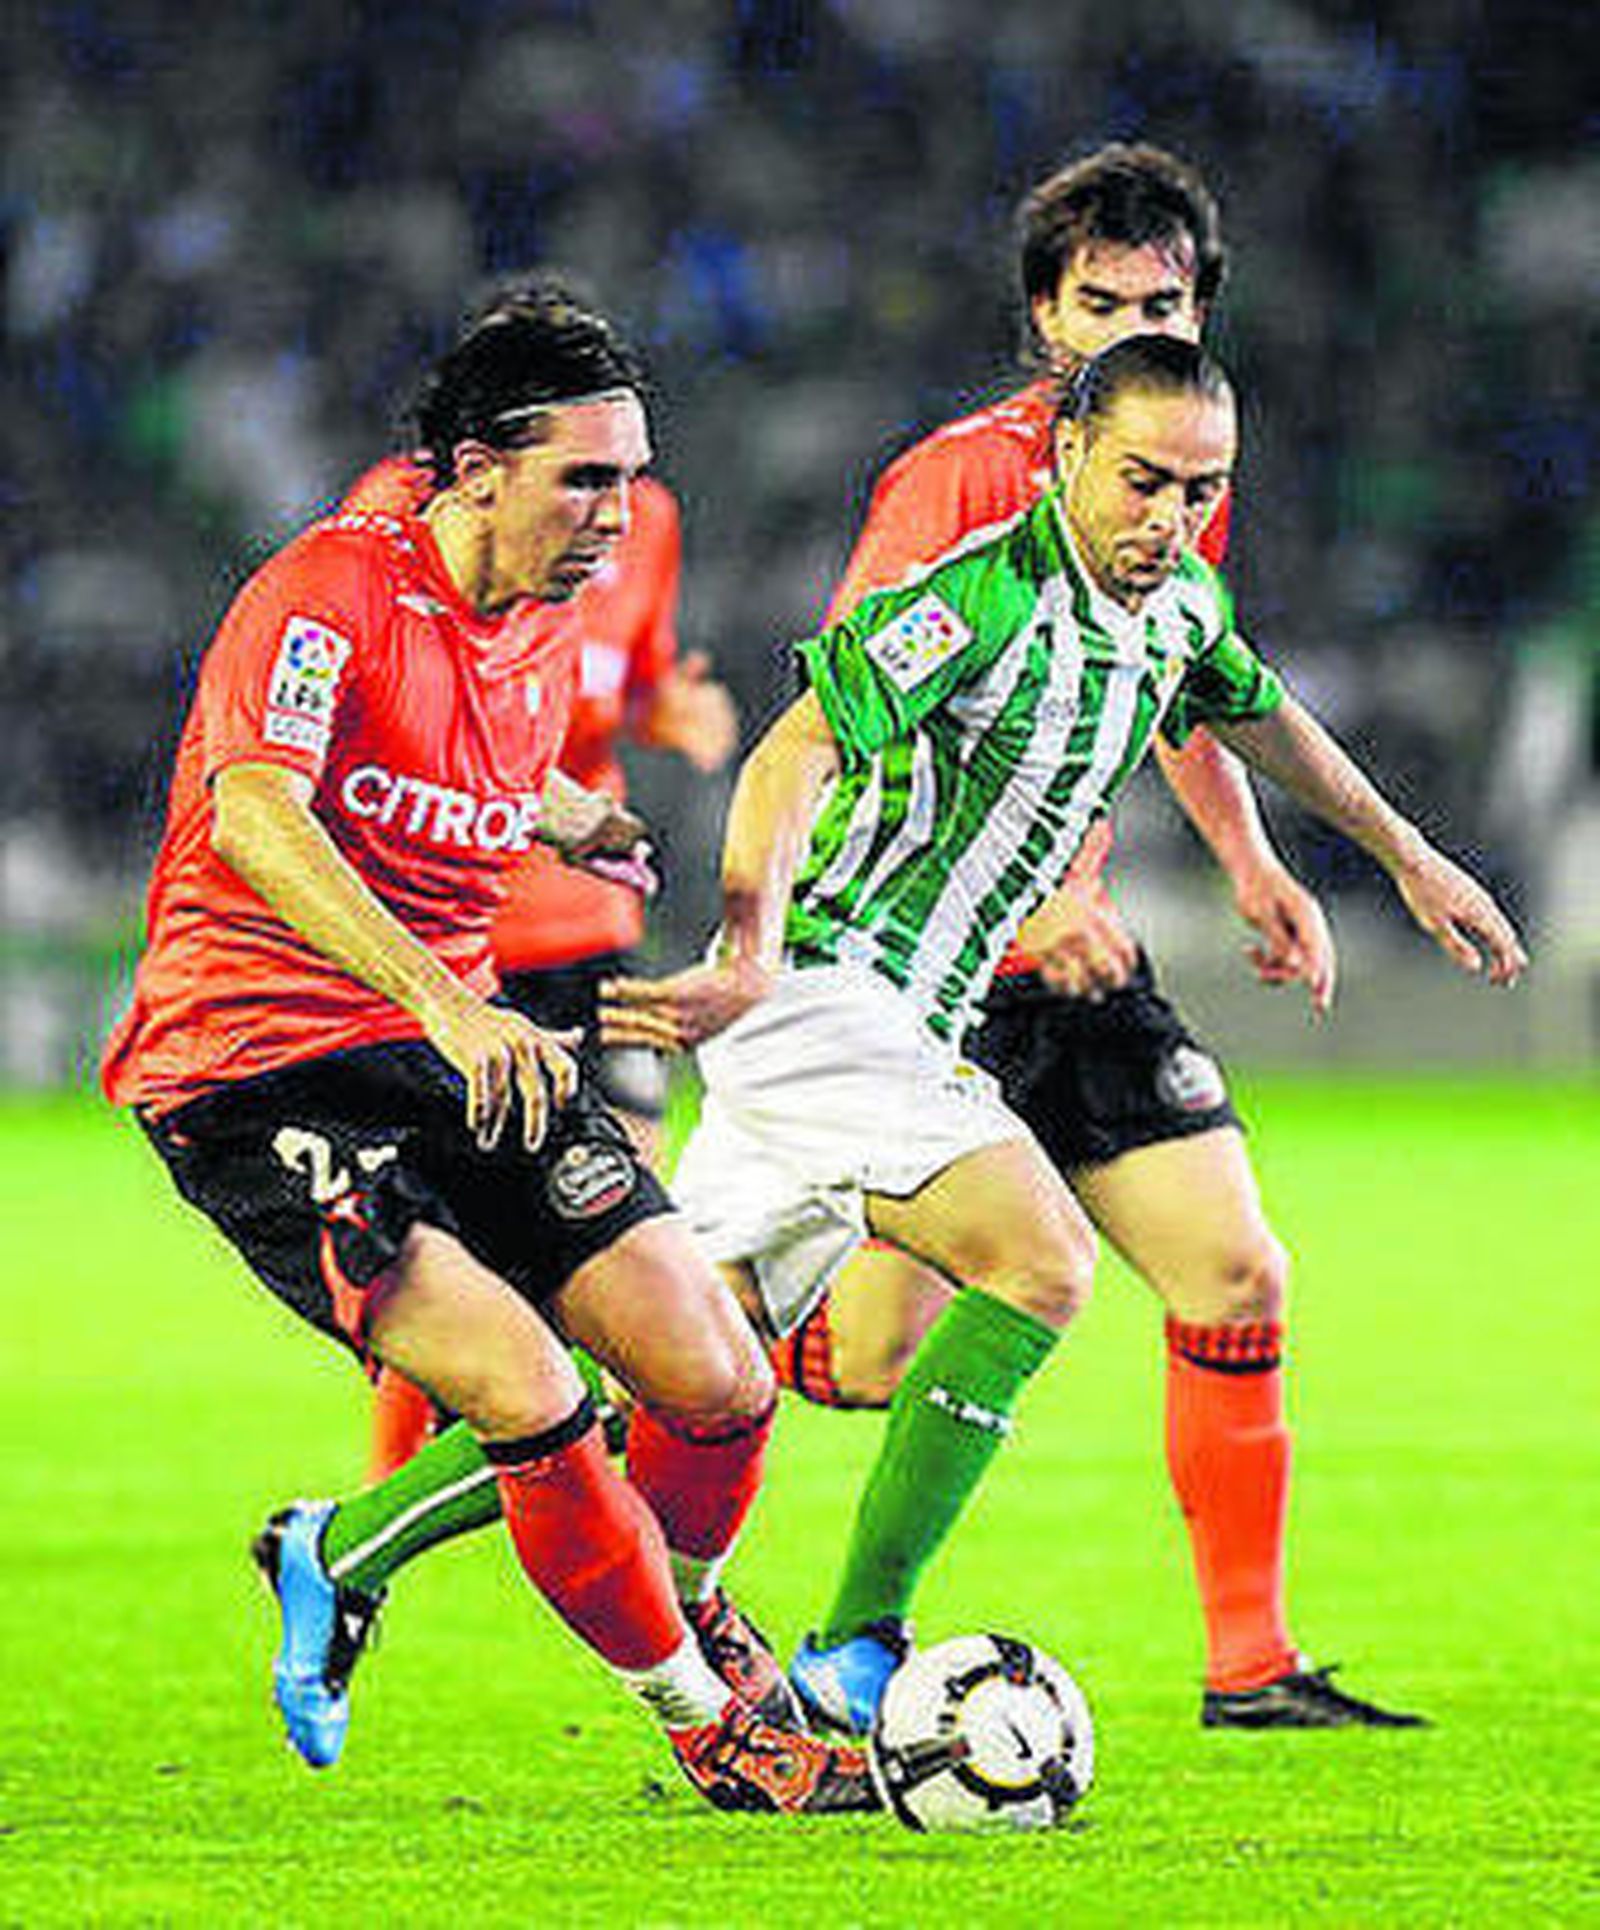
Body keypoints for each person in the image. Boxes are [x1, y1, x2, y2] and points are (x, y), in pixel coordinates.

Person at [600, 336, 1527, 1749]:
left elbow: (1259, 713)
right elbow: (794, 749)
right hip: (832, 985)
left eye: (1200, 491)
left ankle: (346, 1543)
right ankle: (858, 1642)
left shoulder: (1176, 608)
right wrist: (748, 944)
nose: (1169, 517)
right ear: (1070, 453)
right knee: (1038, 1260)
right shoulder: (971, 596)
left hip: (901, 1005)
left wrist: (1405, 854)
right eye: (1144, 480)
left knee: (679, 1356)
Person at [100, 280, 873, 1815]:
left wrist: (564, 810)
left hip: (460, 1052)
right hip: (260, 1066)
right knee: (530, 1392)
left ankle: (677, 1606)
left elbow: (446, 753)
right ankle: (707, 1722)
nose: (619, 509)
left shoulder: (551, 603)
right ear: (475, 470)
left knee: (720, 1376)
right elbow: (261, 810)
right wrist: (452, 998)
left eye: (632, 473)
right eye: (585, 476)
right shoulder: (324, 590)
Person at [758, 142, 1401, 1733]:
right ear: (1041, 310)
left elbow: (1183, 669)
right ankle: (639, 1357)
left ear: (1200, 310)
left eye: (1159, 299)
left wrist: (1250, 859)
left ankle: (1249, 1660)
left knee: (1236, 1265)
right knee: (850, 1358)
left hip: (1085, 961)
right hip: (932, 976)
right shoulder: (957, 483)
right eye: (1096, 300)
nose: (1123, 325)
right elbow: (854, 708)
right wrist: (1035, 893)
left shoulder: (1175, 459)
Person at [357, 447, 737, 1481]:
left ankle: (604, 1490)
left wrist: (670, 714)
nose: (602, 502)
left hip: (596, 925)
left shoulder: (646, 519)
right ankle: (393, 1493)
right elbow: (404, 696)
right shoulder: (401, 507)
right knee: (444, 1238)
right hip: (462, 937)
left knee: (623, 1203)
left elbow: (625, 681)